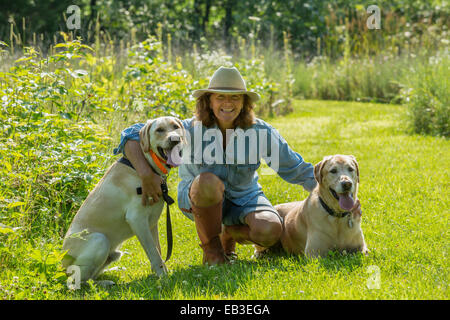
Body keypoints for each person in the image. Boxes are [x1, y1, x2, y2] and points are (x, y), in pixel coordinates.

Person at [114, 66, 318, 265]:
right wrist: (146, 175)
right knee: (208, 181)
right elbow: (130, 135)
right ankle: (213, 251)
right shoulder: (187, 128)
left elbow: (296, 168)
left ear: (244, 103)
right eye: (220, 97)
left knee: (270, 230)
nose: (227, 103)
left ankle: (228, 232)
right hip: (199, 198)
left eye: (235, 97)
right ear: (208, 101)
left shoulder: (260, 132)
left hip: (245, 197)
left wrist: (337, 194)